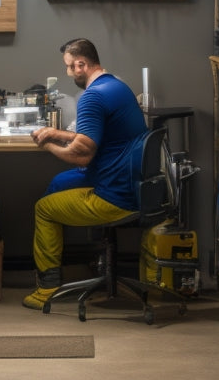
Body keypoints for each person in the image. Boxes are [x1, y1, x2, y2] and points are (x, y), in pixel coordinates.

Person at [23, 38, 149, 310]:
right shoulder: (116, 85)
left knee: (43, 209)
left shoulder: (92, 96)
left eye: (69, 67)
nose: (69, 73)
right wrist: (58, 133)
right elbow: (98, 137)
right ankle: (74, 268)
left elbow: (82, 154)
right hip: (131, 181)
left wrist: (47, 144)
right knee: (58, 184)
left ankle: (47, 289)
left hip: (115, 194)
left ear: (81, 64)